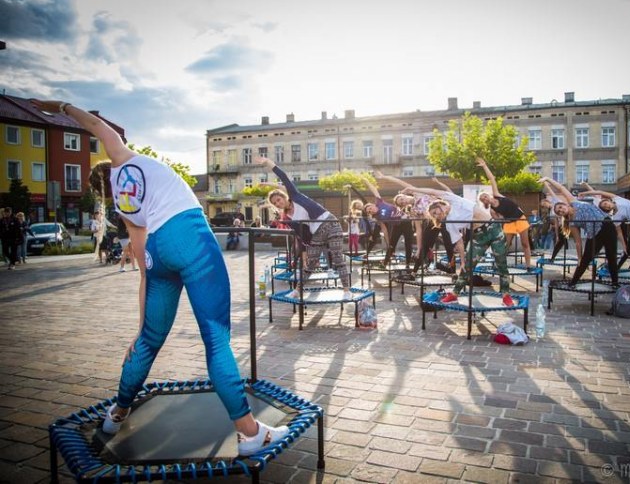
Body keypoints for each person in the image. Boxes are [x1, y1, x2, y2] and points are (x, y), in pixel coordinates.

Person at [31, 99, 288, 456]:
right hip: (191, 237)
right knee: (216, 341)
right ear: (111, 162)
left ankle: (116, 414)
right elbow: (96, 125)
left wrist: (140, 329)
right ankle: (248, 432)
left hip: (159, 251)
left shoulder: (124, 206)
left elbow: (142, 268)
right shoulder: (126, 158)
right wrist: (61, 107)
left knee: (150, 341)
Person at [253, 156, 351, 299]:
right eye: (275, 203)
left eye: (279, 199)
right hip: (316, 232)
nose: (278, 203)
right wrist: (304, 252)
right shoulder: (287, 217)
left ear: (285, 196)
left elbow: (284, 177)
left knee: (337, 258)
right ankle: (297, 291)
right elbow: (300, 235)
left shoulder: (296, 196)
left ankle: (347, 291)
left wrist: (268, 163)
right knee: (310, 264)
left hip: (330, 224)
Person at [402, 184, 512, 305]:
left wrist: (413, 189)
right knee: (467, 268)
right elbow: (459, 242)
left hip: (494, 229)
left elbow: (432, 190)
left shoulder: (453, 200)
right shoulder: (449, 223)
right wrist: (463, 261)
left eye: (435, 212)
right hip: (478, 236)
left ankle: (506, 295)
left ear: (441, 205)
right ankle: (454, 294)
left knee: (501, 263)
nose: (436, 215)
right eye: (433, 215)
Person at [541, 177, 618, 286]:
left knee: (611, 256)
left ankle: (615, 283)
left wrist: (548, 179)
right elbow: (578, 242)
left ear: (565, 205)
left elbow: (561, 188)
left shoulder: (574, 201)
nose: (561, 210)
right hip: (594, 235)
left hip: (607, 226)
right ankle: (573, 283)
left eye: (561, 207)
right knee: (584, 260)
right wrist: (579, 257)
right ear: (560, 215)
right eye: (559, 211)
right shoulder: (572, 223)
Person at [577, 188, 630, 272]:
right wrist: (624, 246)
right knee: (628, 250)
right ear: (607, 210)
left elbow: (599, 192)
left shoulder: (617, 198)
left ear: (609, 201)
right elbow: (619, 233)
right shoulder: (615, 216)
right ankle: (616, 269)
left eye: (606, 203)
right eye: (605, 207)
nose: (607, 205)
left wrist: (584, 193)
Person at [476, 158, 533, 268]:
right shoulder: (492, 210)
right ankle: (500, 264)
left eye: (485, 196)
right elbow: (499, 220)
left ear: (488, 195)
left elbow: (492, 178)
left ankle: (528, 265)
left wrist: (484, 166)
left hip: (520, 219)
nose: (485, 198)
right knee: (505, 245)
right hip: (509, 223)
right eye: (482, 199)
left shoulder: (497, 195)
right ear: (483, 202)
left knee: (525, 244)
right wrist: (500, 218)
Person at [362, 179, 413, 270]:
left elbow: (374, 190)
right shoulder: (378, 217)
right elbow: (384, 230)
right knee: (391, 245)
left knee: (408, 243)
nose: (370, 210)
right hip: (396, 226)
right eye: (369, 211)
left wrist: (367, 182)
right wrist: (387, 241)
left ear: (372, 205)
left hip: (406, 222)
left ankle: (408, 264)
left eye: (370, 208)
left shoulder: (379, 202)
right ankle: (385, 263)